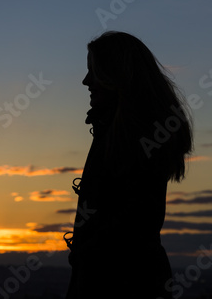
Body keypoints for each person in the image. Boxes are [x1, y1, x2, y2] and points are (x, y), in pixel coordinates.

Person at [64, 31, 193, 298]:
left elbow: (126, 229)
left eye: (94, 72)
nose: (86, 81)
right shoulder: (115, 131)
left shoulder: (137, 141)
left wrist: (88, 254)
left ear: (117, 77)